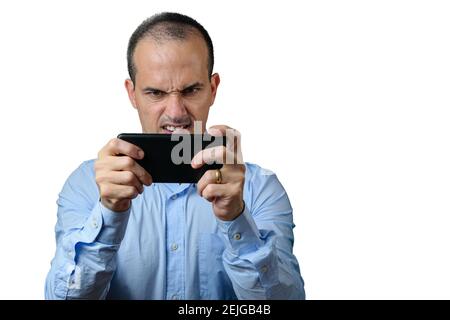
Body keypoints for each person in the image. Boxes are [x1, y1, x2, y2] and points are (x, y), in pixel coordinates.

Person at [45, 12, 305, 300]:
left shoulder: (260, 189)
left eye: (191, 90)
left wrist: (236, 218)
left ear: (213, 88)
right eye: (155, 92)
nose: (176, 113)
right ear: (132, 94)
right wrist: (108, 212)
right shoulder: (87, 184)